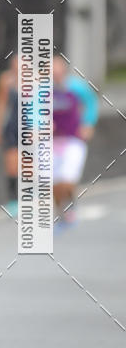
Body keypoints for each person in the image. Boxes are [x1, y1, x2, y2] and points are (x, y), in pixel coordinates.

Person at [52, 55, 98, 226]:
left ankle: (70, 203)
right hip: (51, 142)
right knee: (54, 181)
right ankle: (60, 209)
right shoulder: (42, 90)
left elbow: (91, 103)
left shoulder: (77, 87)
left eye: (58, 70)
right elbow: (32, 109)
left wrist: (88, 123)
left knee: (68, 178)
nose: (55, 74)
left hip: (73, 140)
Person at [0, 55, 20, 216]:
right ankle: (13, 200)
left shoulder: (37, 80)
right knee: (11, 166)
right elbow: (0, 105)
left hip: (31, 129)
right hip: (13, 127)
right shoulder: (6, 81)